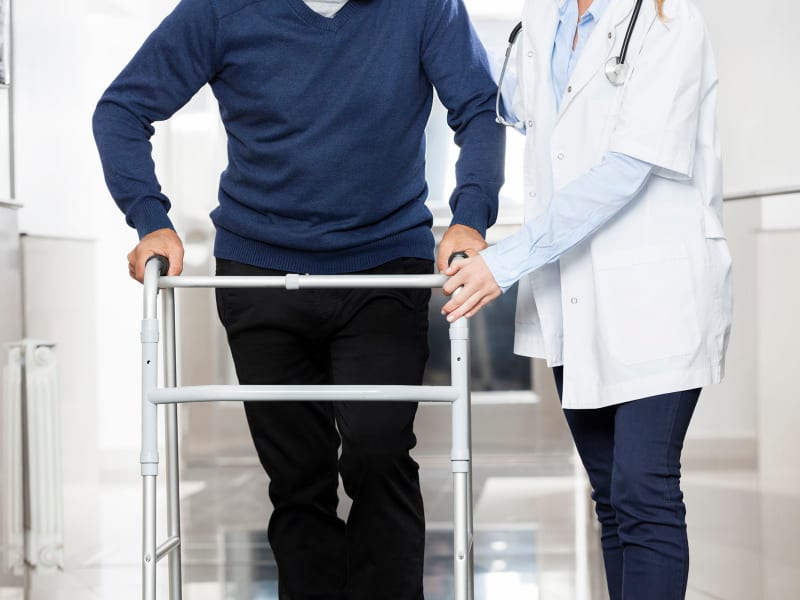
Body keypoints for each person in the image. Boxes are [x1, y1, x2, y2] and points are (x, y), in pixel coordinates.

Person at [92, 1, 505, 598]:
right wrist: (149, 218)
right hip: (259, 273)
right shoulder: (221, 10)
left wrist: (470, 218)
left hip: (382, 272)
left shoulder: (425, 6)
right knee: (298, 479)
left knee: (379, 454)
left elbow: (479, 108)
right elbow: (123, 108)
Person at [441, 0, 732, 598]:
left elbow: (628, 167)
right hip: (573, 293)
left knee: (642, 488)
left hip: (657, 293)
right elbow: (511, 118)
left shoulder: (669, 21)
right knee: (611, 498)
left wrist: (509, 261)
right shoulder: (540, 22)